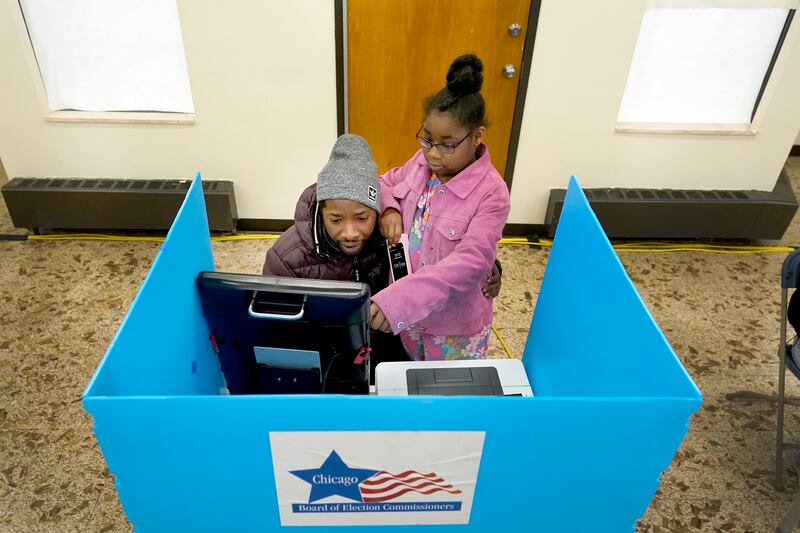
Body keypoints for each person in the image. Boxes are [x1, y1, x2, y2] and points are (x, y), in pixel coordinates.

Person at [261, 133, 502, 370]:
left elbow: (438, 249)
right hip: (324, 356)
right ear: (321, 212)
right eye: (335, 220)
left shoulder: (391, 234)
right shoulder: (285, 258)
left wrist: (491, 268)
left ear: (376, 210)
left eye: (362, 218)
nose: (350, 232)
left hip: (389, 344)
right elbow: (273, 328)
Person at [369, 54, 511, 361]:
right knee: (412, 384)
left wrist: (402, 299)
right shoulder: (421, 163)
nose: (432, 153)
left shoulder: (492, 193)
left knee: (449, 395)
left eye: (446, 144)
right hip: (410, 317)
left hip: (453, 329)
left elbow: (472, 261)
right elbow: (384, 181)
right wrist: (390, 209)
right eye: (427, 139)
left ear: (477, 136)